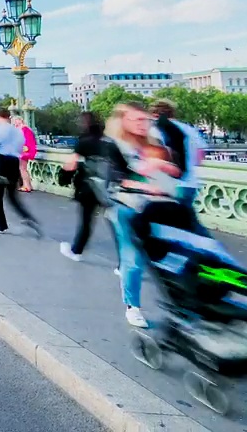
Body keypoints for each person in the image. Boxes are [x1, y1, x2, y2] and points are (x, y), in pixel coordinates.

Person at [104, 101, 181, 328]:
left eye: (145, 119)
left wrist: (164, 167)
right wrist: (148, 186)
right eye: (137, 120)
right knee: (133, 259)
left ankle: (180, 305)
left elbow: (174, 171)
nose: (142, 124)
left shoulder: (155, 142)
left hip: (157, 206)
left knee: (172, 257)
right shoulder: (113, 145)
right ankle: (133, 306)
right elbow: (116, 179)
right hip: (126, 207)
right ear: (123, 122)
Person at [59, 112, 116, 262]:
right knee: (115, 224)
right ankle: (124, 263)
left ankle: (77, 251)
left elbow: (71, 164)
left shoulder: (83, 141)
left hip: (89, 187)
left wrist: (63, 177)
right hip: (109, 186)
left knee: (86, 220)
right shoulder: (109, 142)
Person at [149, 100, 209, 235]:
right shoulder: (188, 128)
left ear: (154, 114)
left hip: (169, 183)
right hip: (191, 183)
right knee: (186, 221)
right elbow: (200, 157)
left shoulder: (155, 129)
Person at [0, 108, 40, 236]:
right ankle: (26, 216)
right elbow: (21, 148)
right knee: (12, 195)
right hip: (13, 163)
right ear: (9, 116)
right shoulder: (18, 132)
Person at [13, 116, 37, 192]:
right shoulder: (26, 129)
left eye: (15, 121)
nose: (14, 123)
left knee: (22, 169)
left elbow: (24, 142)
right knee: (23, 169)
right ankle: (28, 185)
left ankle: (27, 186)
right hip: (25, 151)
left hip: (24, 152)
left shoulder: (23, 129)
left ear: (20, 120)